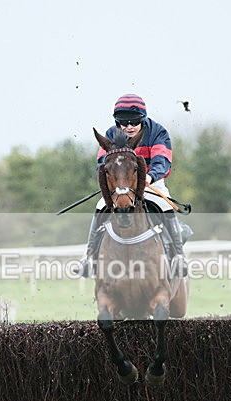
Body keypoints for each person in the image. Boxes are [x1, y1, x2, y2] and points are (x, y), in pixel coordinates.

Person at [76, 93, 188, 278]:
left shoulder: (158, 132)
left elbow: (163, 161)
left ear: (142, 119)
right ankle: (89, 258)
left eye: (134, 122)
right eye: (123, 122)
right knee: (100, 206)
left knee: (164, 203)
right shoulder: (111, 134)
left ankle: (178, 256)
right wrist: (113, 181)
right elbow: (101, 163)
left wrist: (150, 177)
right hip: (121, 185)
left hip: (150, 181)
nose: (128, 127)